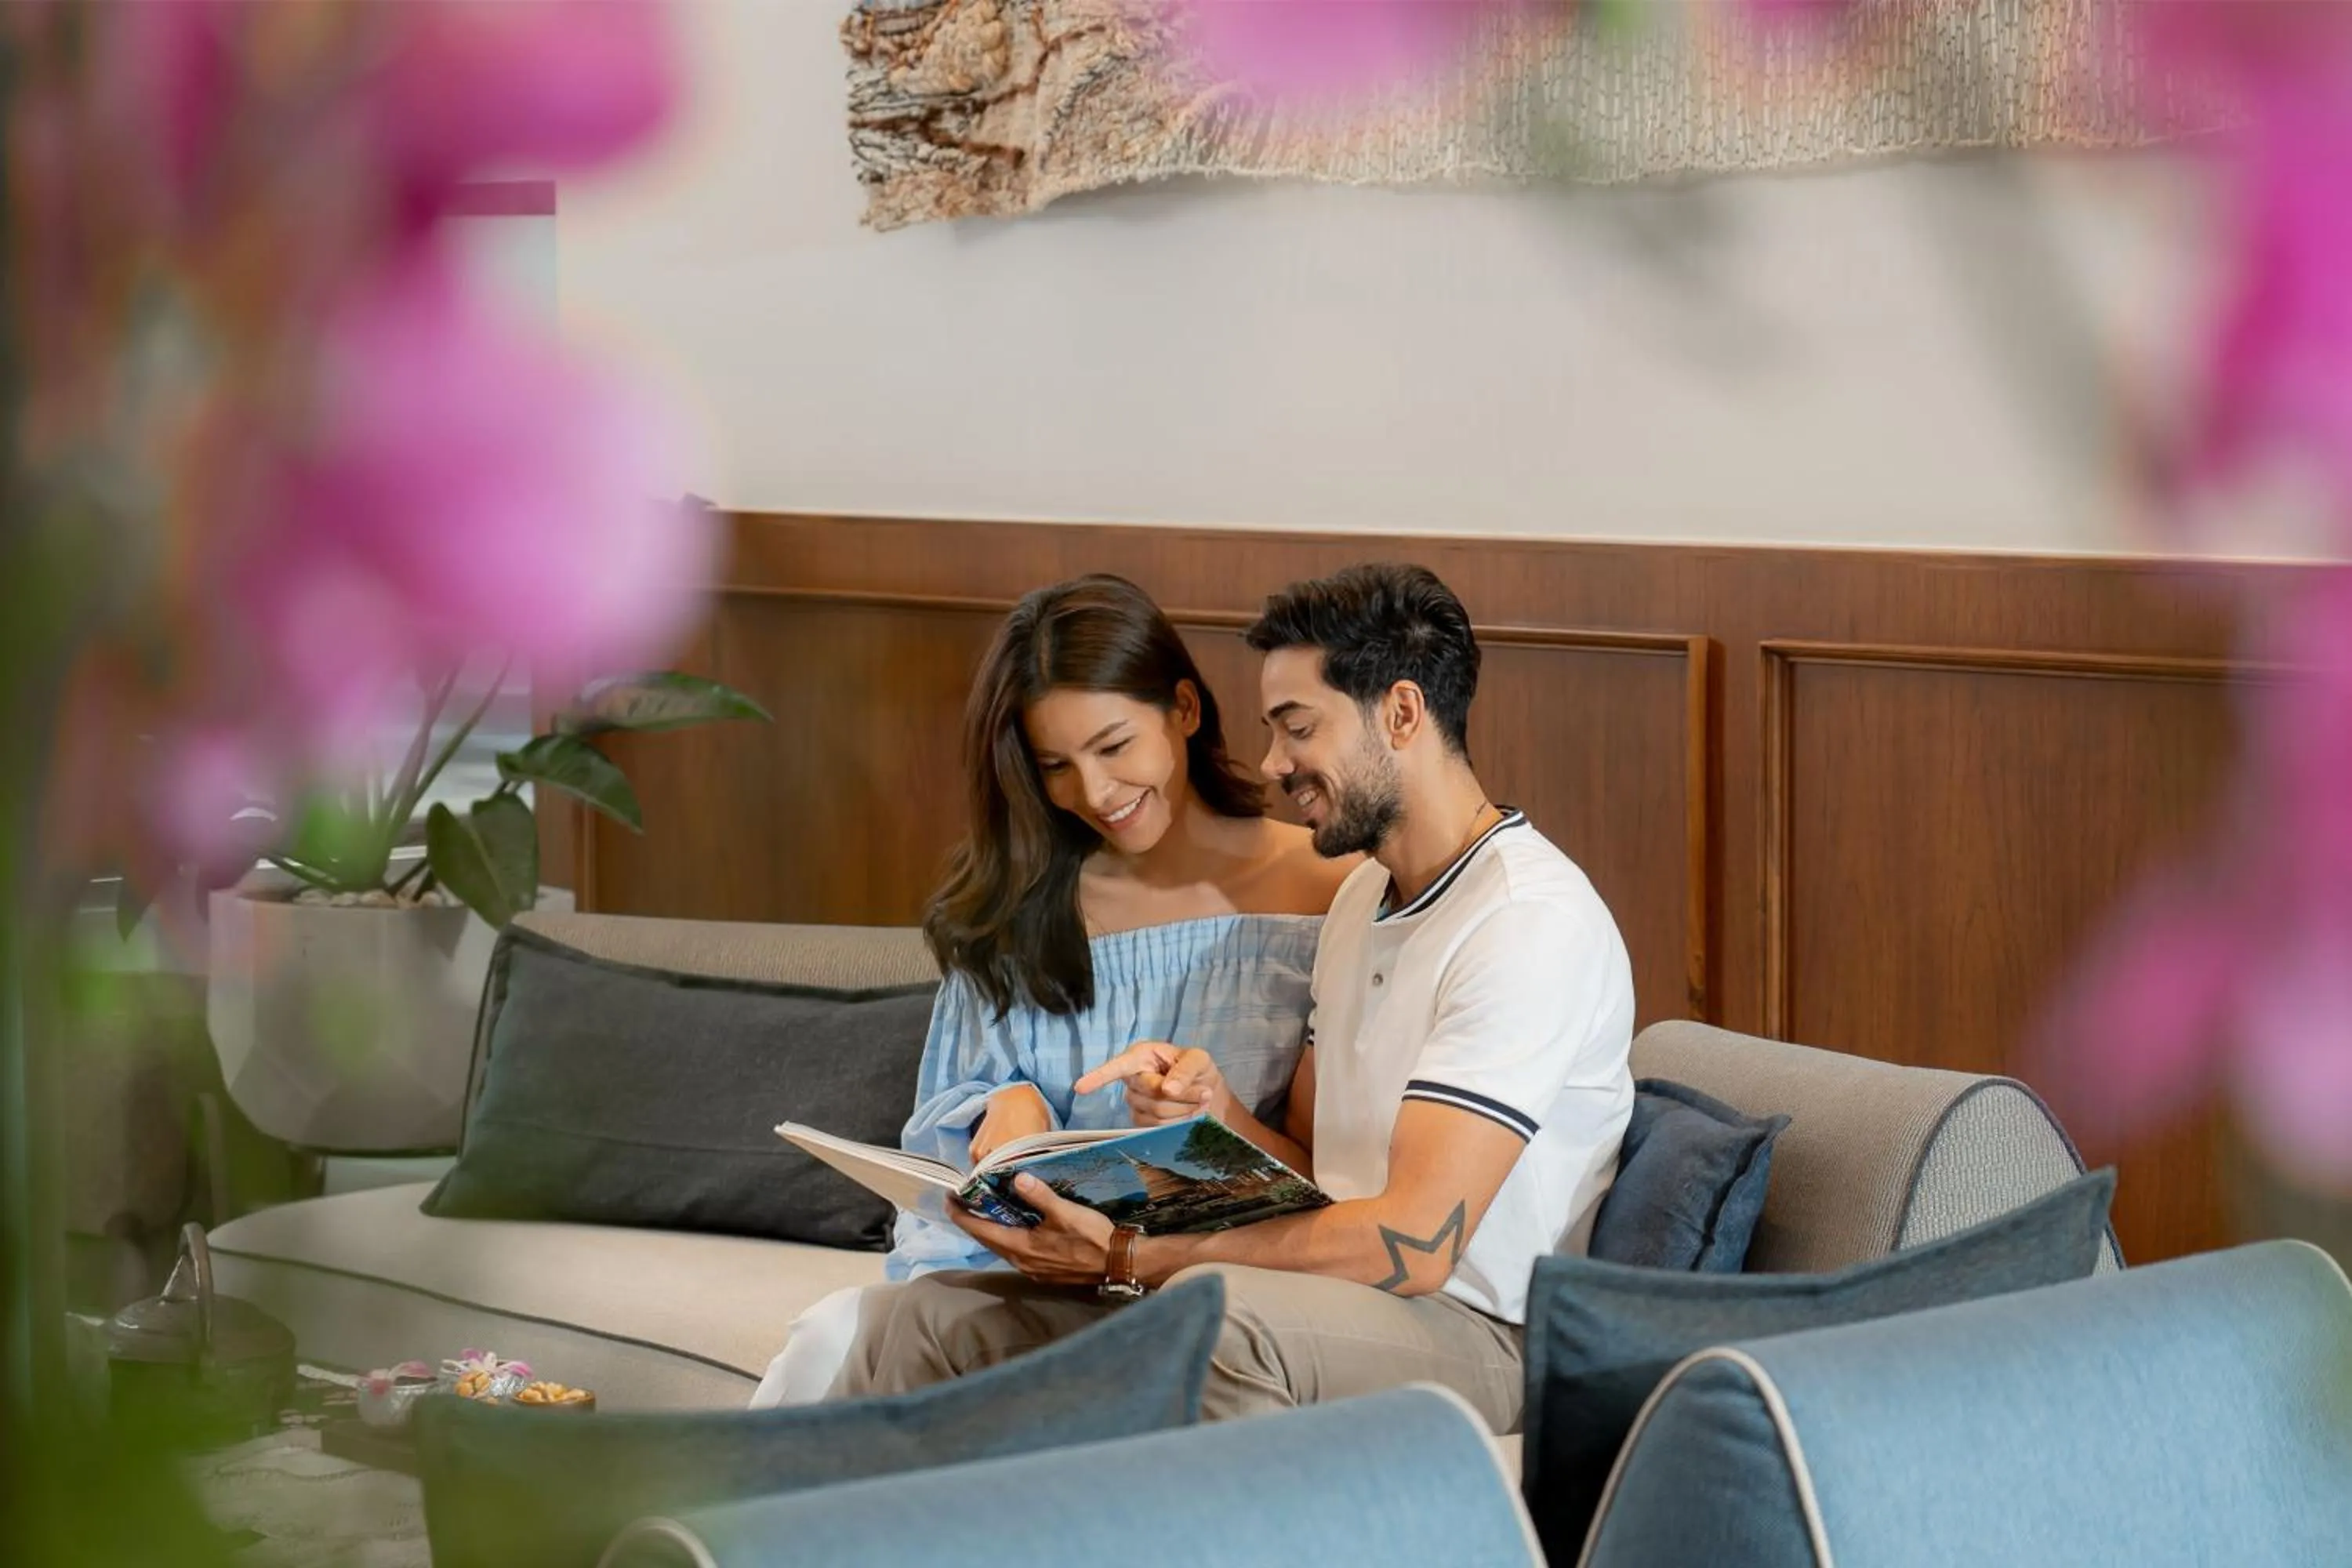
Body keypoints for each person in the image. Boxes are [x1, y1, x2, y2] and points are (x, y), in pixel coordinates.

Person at [826, 563, 1635, 1432]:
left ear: (1402, 714)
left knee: (1215, 1316)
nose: (1274, 762)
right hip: (1323, 1292)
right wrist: (1214, 1111)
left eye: (1298, 728)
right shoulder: (1366, 897)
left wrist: (1133, 1254)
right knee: (922, 1322)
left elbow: (1414, 1243)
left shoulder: (1522, 920)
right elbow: (1315, 1175)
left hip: (1478, 1330)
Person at [750, 574, 1352, 1406]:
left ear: (1184, 707)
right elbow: (943, 1191)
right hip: (1037, 1285)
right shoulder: (1017, 905)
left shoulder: (1332, 888)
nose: (1094, 793)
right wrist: (1002, 1114)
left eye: (1114, 747)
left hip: (1229, 1296)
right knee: (832, 1338)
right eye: (1055, 766)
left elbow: (1344, 1178)